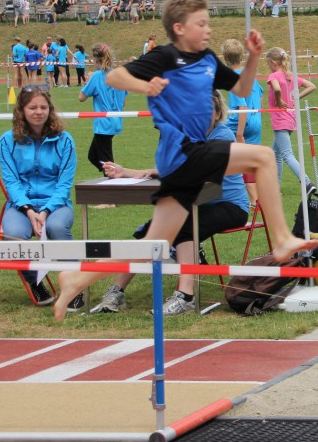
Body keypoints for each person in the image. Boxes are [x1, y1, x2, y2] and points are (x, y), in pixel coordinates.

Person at [52, 0, 318, 319]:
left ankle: (76, 279)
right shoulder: (166, 56)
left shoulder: (206, 59)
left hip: (185, 161)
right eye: (201, 24)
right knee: (263, 156)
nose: (208, 30)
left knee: (151, 245)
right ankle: (281, 239)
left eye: (209, 23)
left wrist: (252, 58)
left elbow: (240, 89)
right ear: (179, 28)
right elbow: (114, 77)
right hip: (182, 151)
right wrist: (146, 86)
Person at [94, 91, 252, 316]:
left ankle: (186, 297)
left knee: (183, 227)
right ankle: (116, 292)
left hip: (230, 206)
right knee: (150, 232)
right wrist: (125, 172)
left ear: (217, 113)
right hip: (196, 205)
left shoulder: (223, 135)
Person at [0, 88, 79, 308]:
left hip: (56, 204)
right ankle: (35, 282)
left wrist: (45, 211)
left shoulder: (65, 140)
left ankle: (74, 287)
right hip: (21, 205)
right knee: (13, 235)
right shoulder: (6, 141)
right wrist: (28, 210)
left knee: (56, 227)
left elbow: (64, 185)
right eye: (32, 107)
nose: (38, 112)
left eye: (43, 107)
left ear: (50, 110)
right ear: (21, 110)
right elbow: (11, 182)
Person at [265, 46, 317, 192]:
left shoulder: (274, 76)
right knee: (276, 153)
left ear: (273, 63)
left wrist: (278, 99)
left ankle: (307, 182)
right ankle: (276, 187)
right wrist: (296, 97)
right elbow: (311, 86)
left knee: (287, 155)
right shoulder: (290, 76)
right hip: (290, 119)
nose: (268, 67)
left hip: (280, 120)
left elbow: (276, 89)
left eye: (268, 64)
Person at [221, 38, 263, 205]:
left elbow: (242, 107)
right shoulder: (250, 76)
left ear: (224, 57)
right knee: (249, 162)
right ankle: (255, 199)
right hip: (255, 122)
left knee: (214, 149)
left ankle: (230, 194)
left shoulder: (233, 79)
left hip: (238, 125)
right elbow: (260, 97)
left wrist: (239, 134)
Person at [79, 42, 126, 185]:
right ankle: (112, 176)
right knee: (93, 156)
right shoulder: (119, 75)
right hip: (115, 121)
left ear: (95, 59)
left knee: (106, 161)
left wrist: (87, 83)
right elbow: (123, 101)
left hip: (103, 123)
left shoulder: (97, 76)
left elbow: (81, 97)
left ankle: (113, 187)